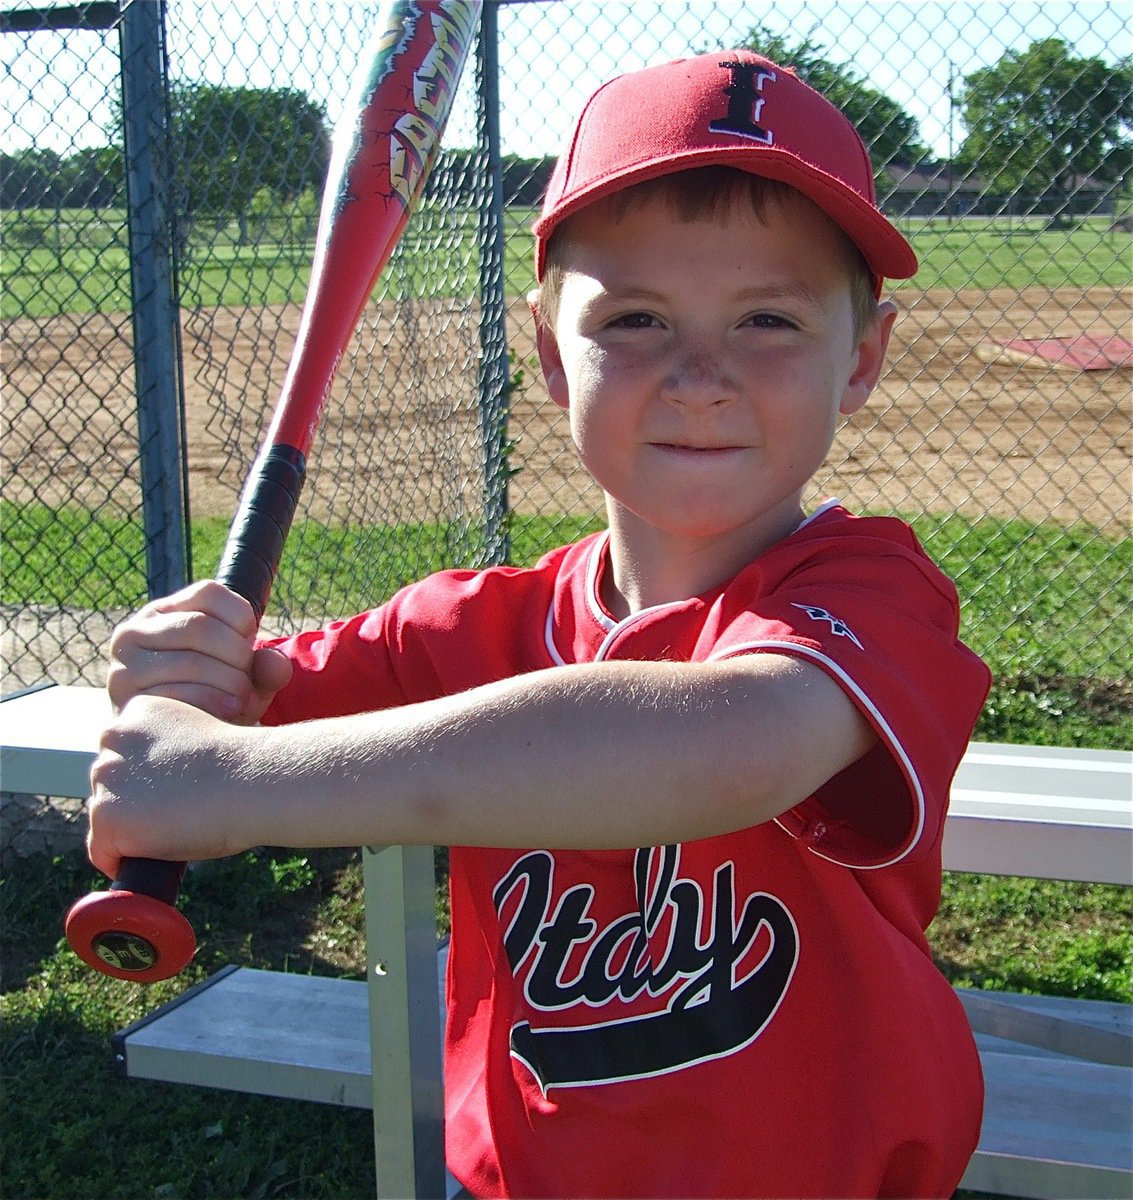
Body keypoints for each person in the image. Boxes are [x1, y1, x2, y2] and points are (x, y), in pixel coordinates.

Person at [86, 50, 991, 1199]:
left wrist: (234, 784)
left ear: (858, 358)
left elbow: (728, 743)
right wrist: (184, 681)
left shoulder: (869, 594)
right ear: (550, 357)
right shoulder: (462, 628)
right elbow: (232, 712)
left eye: (767, 317)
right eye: (637, 319)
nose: (700, 376)